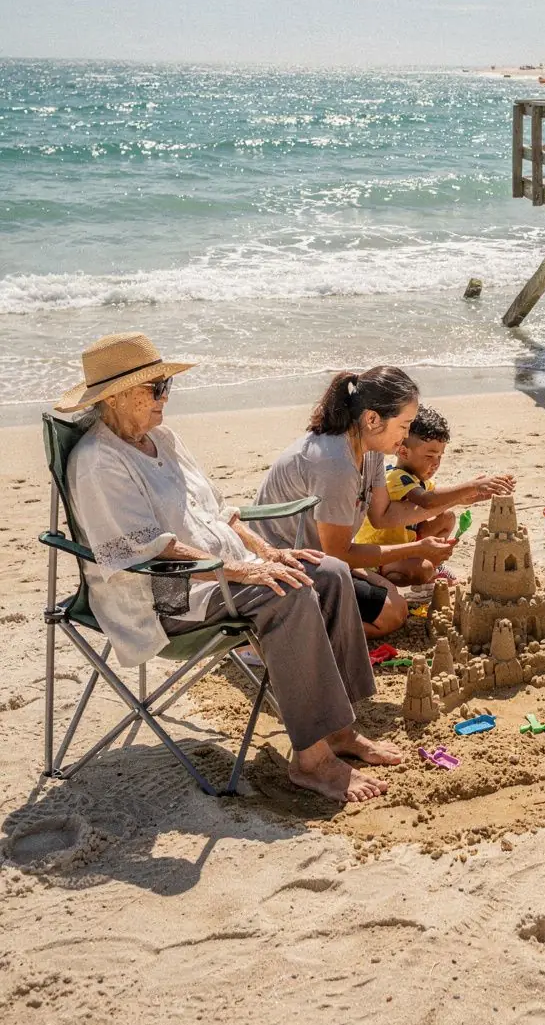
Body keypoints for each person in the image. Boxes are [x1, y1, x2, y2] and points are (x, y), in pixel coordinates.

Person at [57, 332, 400, 805]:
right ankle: (312, 761)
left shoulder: (162, 439)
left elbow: (220, 511)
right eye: (156, 390)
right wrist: (240, 571)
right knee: (290, 594)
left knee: (330, 571)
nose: (165, 400)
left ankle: (339, 730)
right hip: (167, 595)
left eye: (166, 388)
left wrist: (268, 554)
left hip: (223, 573)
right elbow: (148, 552)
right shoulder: (98, 461)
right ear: (115, 396)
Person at [254, 367, 453, 638]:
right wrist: (417, 547)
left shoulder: (369, 450)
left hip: (318, 557)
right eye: (404, 426)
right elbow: (339, 553)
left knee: (396, 603)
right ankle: (285, 634)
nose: (405, 436)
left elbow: (383, 515)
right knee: (391, 615)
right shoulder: (335, 463)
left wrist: (463, 496)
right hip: (283, 569)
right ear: (372, 419)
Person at [354, 404, 516, 585]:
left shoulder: (419, 480)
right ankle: (417, 576)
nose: (436, 463)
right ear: (403, 451)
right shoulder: (396, 477)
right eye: (430, 456)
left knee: (446, 518)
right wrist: (472, 486)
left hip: (405, 545)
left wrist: (469, 497)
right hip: (380, 557)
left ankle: (433, 567)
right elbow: (428, 501)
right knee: (422, 569)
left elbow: (438, 498)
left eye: (440, 456)